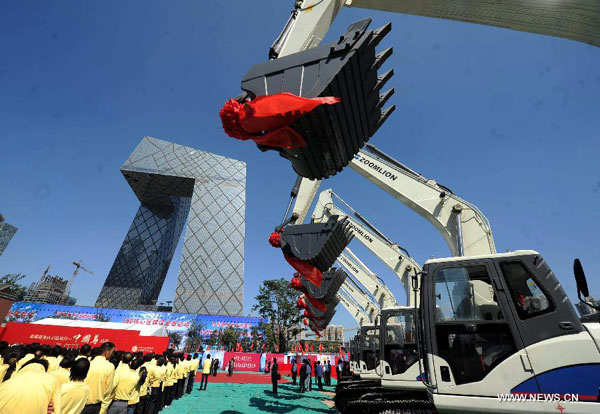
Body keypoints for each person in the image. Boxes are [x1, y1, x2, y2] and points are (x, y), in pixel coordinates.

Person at [83, 342, 116, 414]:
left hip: (81, 403)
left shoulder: (87, 363)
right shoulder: (109, 367)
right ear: (106, 352)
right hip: (95, 407)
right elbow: (108, 391)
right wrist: (103, 410)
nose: (112, 354)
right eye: (112, 352)